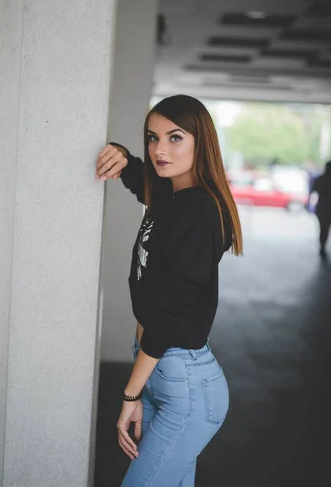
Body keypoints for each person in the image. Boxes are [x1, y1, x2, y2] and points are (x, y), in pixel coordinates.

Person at [95, 95, 243, 487]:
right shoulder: (173, 196)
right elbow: (140, 178)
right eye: (152, 137)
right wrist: (123, 156)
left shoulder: (200, 212)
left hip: (185, 386)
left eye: (175, 138)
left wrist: (130, 395)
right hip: (164, 373)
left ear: (201, 142)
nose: (160, 149)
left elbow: (168, 314)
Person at [309, 160, 331, 259]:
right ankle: (323, 246)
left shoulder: (320, 179)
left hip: (322, 207)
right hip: (330, 207)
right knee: (326, 228)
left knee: (323, 227)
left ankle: (322, 246)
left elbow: (312, 190)